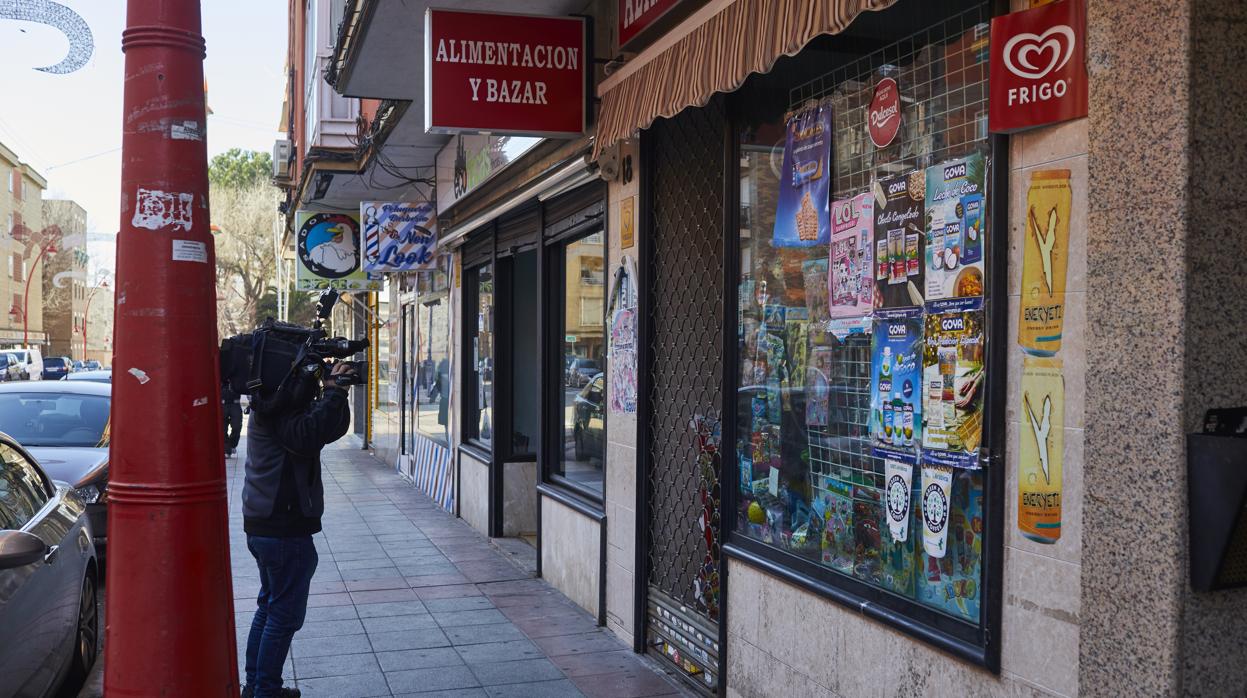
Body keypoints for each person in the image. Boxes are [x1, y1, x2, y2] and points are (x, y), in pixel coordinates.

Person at [240, 361, 354, 698]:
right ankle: (266, 691)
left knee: (270, 607)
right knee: (284, 615)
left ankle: (258, 685)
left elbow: (327, 430)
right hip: (281, 527)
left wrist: (337, 393)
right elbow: (307, 437)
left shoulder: (271, 402)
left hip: (267, 524)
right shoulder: (278, 408)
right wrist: (332, 392)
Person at [223, 380, 242, 457]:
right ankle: (227, 450)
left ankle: (232, 445)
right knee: (222, 429)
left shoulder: (236, 370)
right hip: (222, 403)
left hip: (235, 403)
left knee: (237, 426)